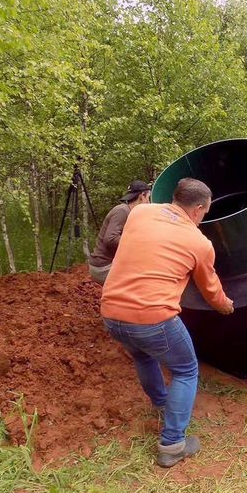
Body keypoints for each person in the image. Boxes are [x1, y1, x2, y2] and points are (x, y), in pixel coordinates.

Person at [100, 178, 234, 468]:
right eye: (205, 213)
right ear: (198, 209)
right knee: (186, 369)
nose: (203, 218)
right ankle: (173, 444)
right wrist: (225, 307)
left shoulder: (139, 213)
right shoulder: (199, 242)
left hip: (111, 312)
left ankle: (163, 404)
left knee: (143, 356)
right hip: (152, 317)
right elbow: (211, 290)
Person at [89, 180, 151, 284]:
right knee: (142, 282)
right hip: (104, 267)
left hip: (109, 264)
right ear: (142, 196)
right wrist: (136, 246)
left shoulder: (130, 212)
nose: (149, 202)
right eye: (148, 198)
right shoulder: (122, 211)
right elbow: (110, 239)